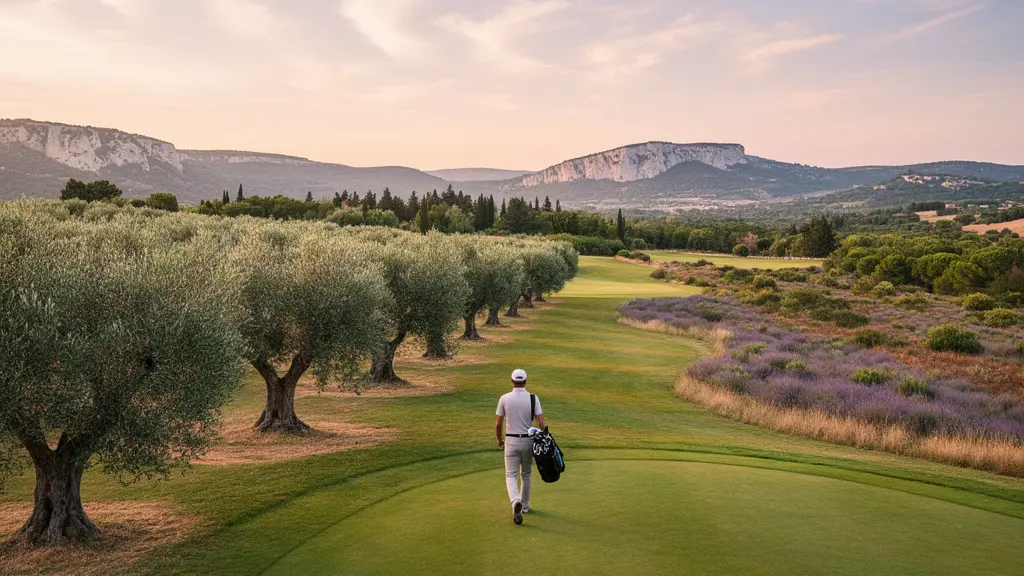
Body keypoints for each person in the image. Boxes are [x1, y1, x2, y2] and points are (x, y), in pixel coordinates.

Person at [495, 368, 545, 525]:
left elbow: (498, 423)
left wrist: (499, 439)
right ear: (525, 381)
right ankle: (525, 506)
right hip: (528, 441)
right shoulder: (533, 398)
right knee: (527, 474)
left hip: (511, 440)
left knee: (511, 475)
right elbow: (541, 422)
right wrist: (544, 437)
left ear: (512, 381)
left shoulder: (504, 398)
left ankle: (515, 500)